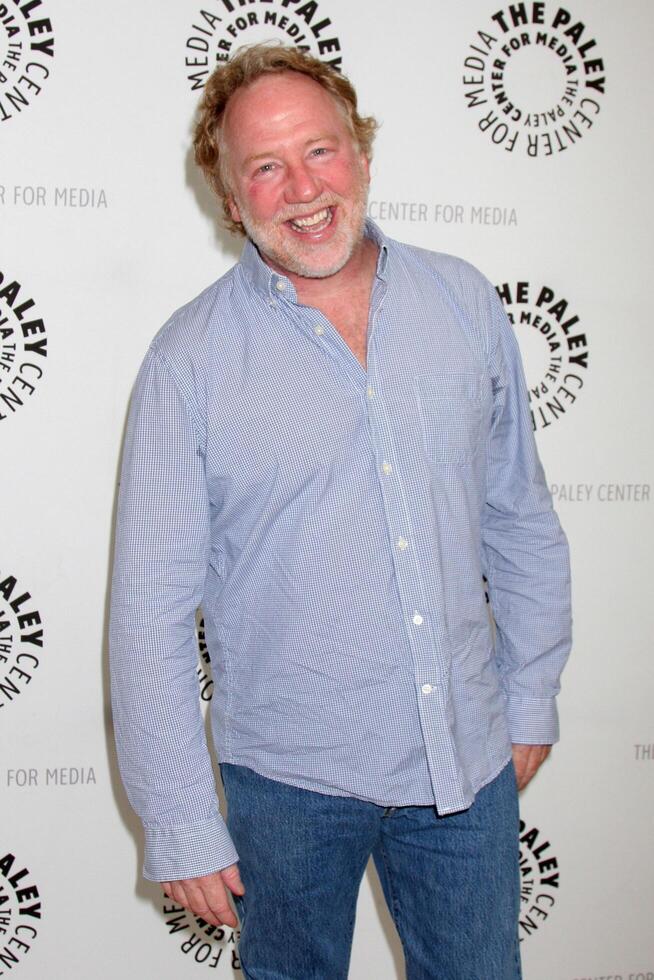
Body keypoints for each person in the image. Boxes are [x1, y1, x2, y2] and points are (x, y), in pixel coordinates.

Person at [109, 43, 571, 980]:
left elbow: (519, 515)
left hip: (467, 764)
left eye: (319, 151)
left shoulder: (465, 303)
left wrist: (530, 694)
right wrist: (182, 818)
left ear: (360, 153)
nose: (301, 188)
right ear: (231, 200)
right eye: (265, 168)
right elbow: (148, 614)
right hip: (286, 784)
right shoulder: (187, 363)